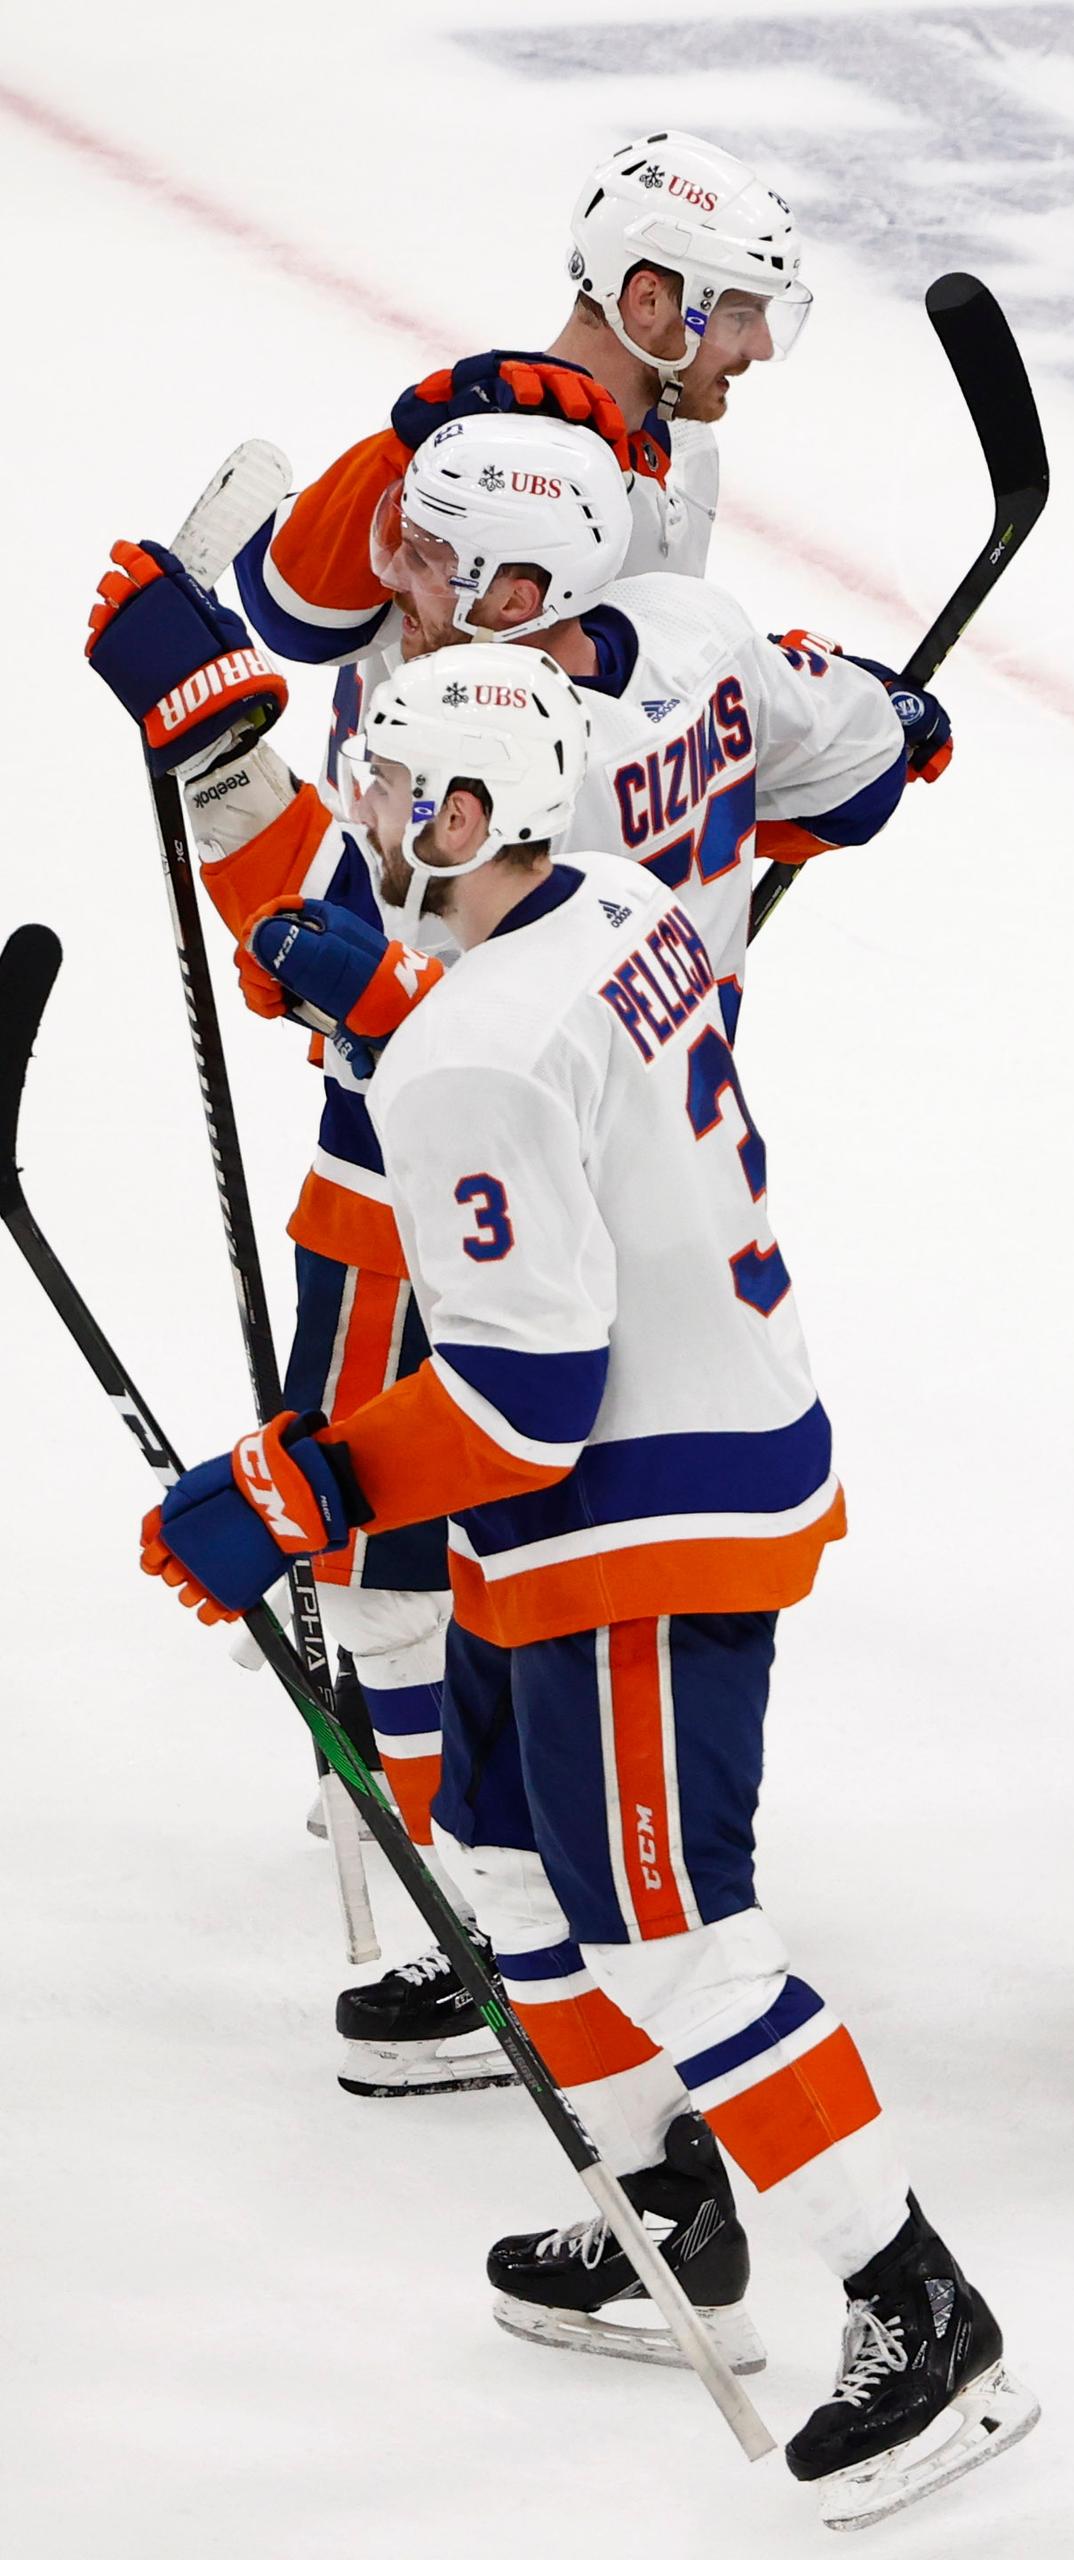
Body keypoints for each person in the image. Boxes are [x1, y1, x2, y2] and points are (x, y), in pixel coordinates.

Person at [120, 639, 1034, 2528]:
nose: (363, 815)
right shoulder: (613, 899)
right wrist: (381, 1006)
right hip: (658, 1465)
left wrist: (303, 1486)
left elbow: (524, 1401)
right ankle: (661, 2211)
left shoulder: (472, 1042)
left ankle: (919, 2309)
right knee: (513, 1860)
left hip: (637, 1512)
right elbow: (552, 1115)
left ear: (471, 814)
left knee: (673, 1929)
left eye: (389, 790)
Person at [85, 415, 938, 2096]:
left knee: (403, 1547)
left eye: (421, 556)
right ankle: (516, 1905)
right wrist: (845, 759)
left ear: (515, 579)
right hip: (657, 1159)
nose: (384, 581)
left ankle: (474, 1921)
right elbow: (883, 754)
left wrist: (205, 733)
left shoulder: (500, 756)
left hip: (471, 1172)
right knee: (483, 1569)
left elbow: (335, 960)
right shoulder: (690, 637)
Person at [232, 130, 809, 717]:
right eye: (740, 315)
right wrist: (410, 446)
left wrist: (806, 695)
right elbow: (298, 622)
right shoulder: (482, 459)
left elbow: (647, 682)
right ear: (648, 300)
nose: (760, 346)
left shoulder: (688, 446)